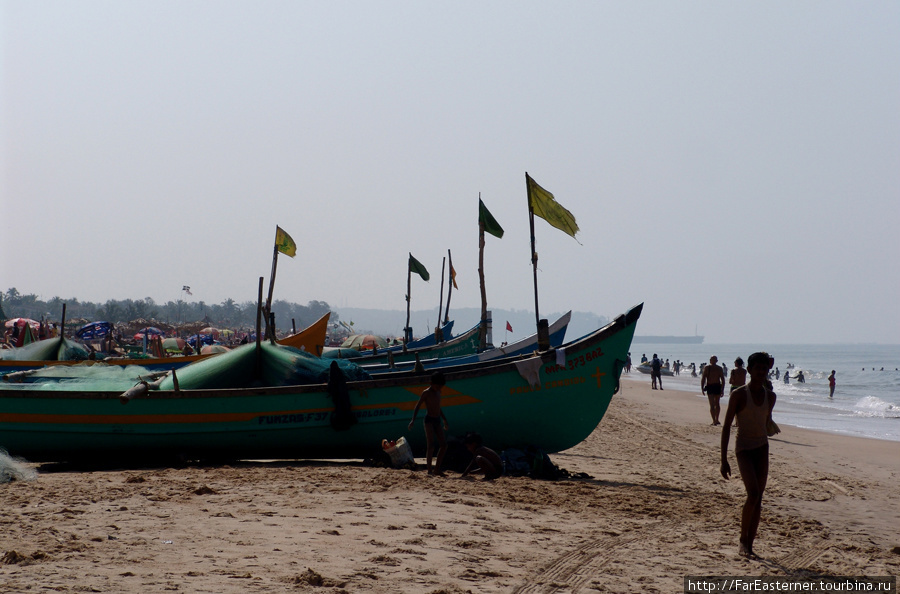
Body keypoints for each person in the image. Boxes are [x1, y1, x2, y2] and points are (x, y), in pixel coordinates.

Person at [720, 351, 777, 559]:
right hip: (743, 448)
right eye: (757, 368)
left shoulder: (771, 396)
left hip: (762, 448)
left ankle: (750, 544)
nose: (761, 372)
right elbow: (726, 426)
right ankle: (743, 541)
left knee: (759, 497)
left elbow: (765, 422)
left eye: (764, 368)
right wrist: (723, 459)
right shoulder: (738, 395)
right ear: (750, 370)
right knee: (752, 494)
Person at [408, 371, 449, 476]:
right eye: (437, 386)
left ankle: (437, 469)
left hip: (437, 420)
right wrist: (413, 420)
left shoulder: (438, 392)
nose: (439, 389)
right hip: (429, 420)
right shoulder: (426, 392)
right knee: (430, 445)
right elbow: (418, 406)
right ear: (431, 384)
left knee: (443, 445)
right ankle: (429, 470)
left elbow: (438, 408)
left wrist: (444, 419)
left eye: (440, 387)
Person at [701, 356, 726, 425]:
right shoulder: (719, 368)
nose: (710, 360)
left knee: (712, 404)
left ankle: (714, 420)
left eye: (711, 359)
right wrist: (722, 389)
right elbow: (723, 380)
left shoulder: (707, 367)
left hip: (711, 386)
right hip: (716, 386)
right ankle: (716, 419)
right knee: (717, 404)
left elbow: (703, 378)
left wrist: (702, 388)